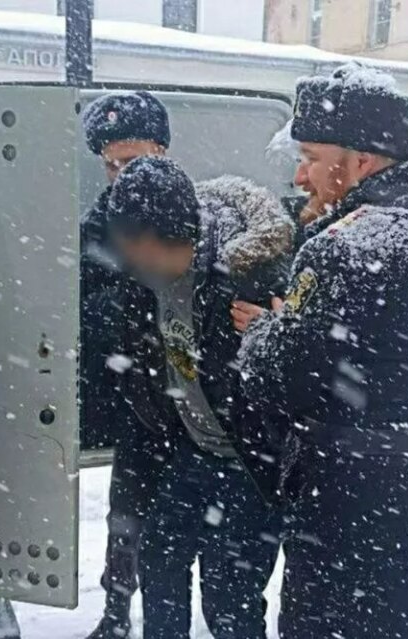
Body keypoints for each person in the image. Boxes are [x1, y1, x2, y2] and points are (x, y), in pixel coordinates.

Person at [237, 64, 408, 639]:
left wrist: (263, 331)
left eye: (310, 156)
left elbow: (281, 381)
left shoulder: (346, 245)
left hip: (363, 513)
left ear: (360, 160)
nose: (301, 175)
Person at [106, 156, 292, 638]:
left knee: (230, 598)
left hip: (252, 465)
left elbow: (302, 375)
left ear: (156, 239)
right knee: (160, 567)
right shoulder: (142, 276)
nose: (131, 265)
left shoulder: (250, 276)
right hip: (191, 453)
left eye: (136, 251)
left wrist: (278, 331)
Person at [80, 91, 173, 639]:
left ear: (162, 152)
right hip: (135, 399)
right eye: (111, 164)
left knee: (185, 522)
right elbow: (88, 306)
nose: (119, 175)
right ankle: (116, 612)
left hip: (189, 399)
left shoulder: (192, 211)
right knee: (127, 514)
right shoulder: (99, 224)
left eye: (133, 162)